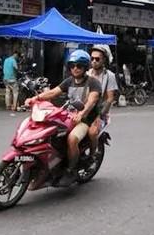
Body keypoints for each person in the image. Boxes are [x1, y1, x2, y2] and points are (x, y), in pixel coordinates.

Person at [25, 50, 101, 186]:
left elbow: (91, 101)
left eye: (79, 66)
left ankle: (70, 170)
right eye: (72, 65)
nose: (75, 68)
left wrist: (82, 114)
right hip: (69, 116)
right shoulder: (69, 81)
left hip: (85, 119)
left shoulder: (93, 82)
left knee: (72, 139)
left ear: (85, 67)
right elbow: (53, 92)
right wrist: (35, 98)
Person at [87, 44, 118, 165]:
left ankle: (93, 154)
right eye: (92, 58)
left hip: (100, 113)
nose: (94, 61)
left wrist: (99, 116)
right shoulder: (87, 73)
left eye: (97, 59)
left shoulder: (109, 76)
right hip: (85, 109)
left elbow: (110, 99)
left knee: (92, 132)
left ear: (104, 60)